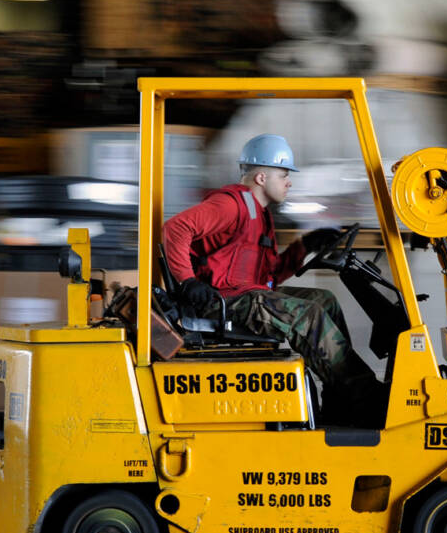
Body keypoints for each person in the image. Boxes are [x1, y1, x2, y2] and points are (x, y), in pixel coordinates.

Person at [163, 134, 386, 427]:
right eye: (284, 175)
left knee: (324, 301)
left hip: (244, 295)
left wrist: (305, 246)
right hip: (222, 302)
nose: (288, 182)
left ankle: (341, 398)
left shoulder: (260, 214)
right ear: (261, 176)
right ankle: (368, 400)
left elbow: (267, 277)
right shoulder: (230, 206)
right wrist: (188, 281)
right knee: (307, 316)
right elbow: (175, 229)